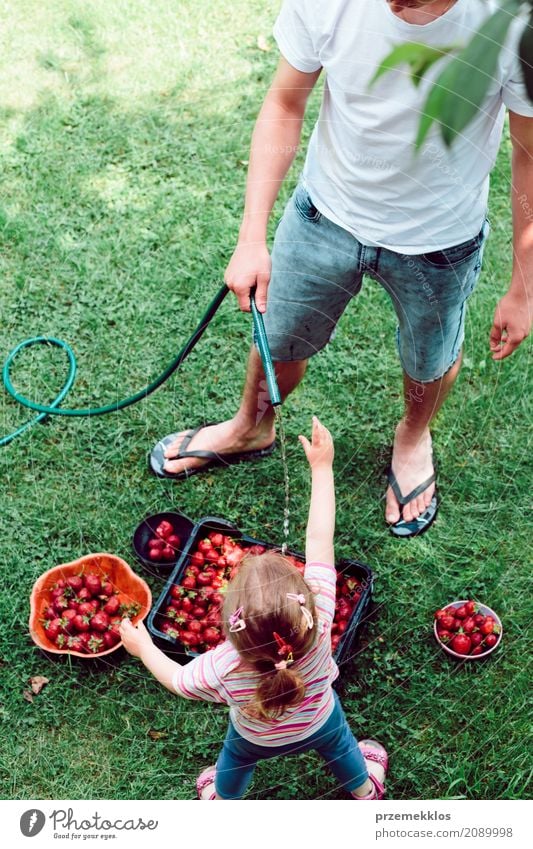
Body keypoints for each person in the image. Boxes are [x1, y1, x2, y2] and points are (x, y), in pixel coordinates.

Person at [150, 0, 532, 537]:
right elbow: (285, 101)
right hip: (324, 213)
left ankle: (413, 437)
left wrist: (524, 286)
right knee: (278, 337)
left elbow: (529, 155)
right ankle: (251, 427)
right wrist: (251, 235)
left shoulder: (512, 21)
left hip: (441, 240)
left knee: (429, 361)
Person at [124, 417, 388, 800]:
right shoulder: (321, 619)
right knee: (341, 748)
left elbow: (178, 681)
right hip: (320, 719)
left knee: (233, 764)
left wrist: (144, 647)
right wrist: (322, 467)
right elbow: (318, 539)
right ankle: (364, 790)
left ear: (229, 630)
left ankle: (222, 799)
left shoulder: (223, 664)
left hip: (253, 737)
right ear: (306, 604)